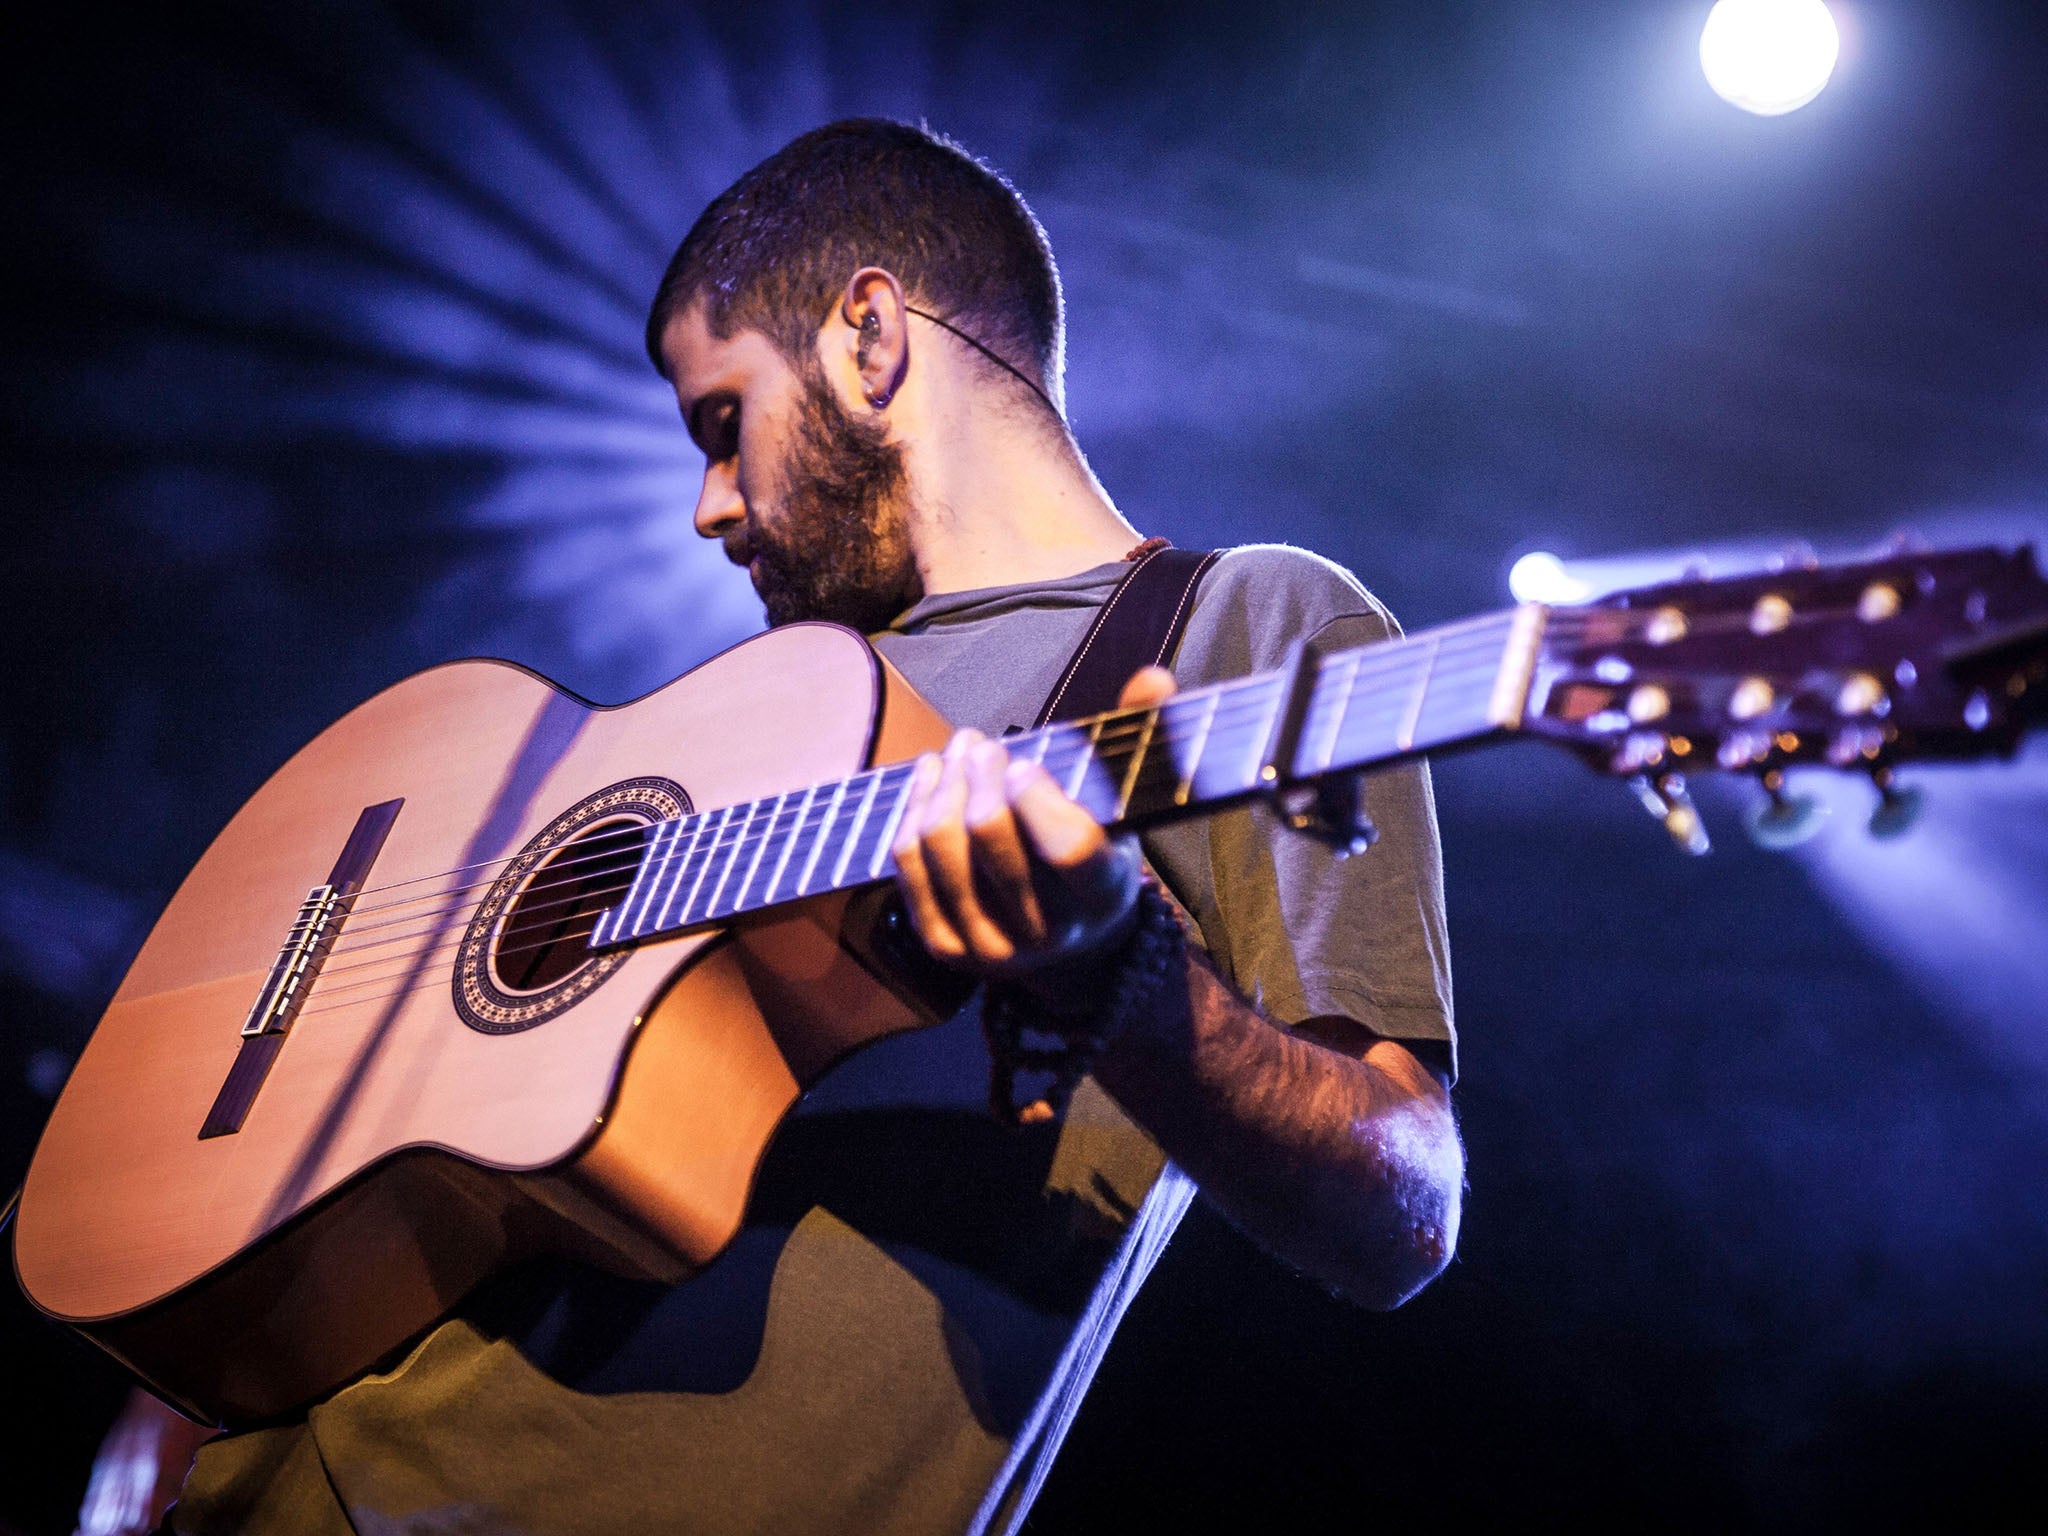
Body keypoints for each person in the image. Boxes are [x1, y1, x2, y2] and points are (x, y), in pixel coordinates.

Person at [92, 117, 1461, 1536]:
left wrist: (1124, 977)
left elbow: (1405, 1209)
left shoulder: (1236, 629)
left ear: (870, 338)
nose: (707, 506)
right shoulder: (768, 703)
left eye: (720, 422)